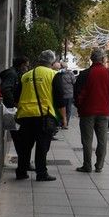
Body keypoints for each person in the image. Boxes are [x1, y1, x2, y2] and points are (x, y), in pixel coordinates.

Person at [73, 50, 109, 173]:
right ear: (102, 59)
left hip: (87, 111)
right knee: (102, 139)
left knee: (87, 140)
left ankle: (87, 165)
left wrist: (80, 106)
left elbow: (77, 93)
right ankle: (99, 165)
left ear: (91, 59)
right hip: (104, 111)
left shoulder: (85, 74)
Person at [12, 49, 59, 181]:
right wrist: (62, 118)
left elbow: (16, 96)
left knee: (25, 146)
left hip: (25, 115)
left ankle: (21, 172)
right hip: (44, 115)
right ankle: (41, 173)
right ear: (51, 62)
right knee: (42, 146)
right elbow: (59, 97)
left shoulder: (26, 75)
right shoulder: (53, 75)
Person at [51, 59, 75, 129]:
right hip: (69, 94)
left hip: (62, 94)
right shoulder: (70, 74)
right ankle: (65, 123)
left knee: (61, 108)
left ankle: (62, 122)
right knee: (68, 110)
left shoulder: (58, 75)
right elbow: (74, 82)